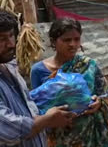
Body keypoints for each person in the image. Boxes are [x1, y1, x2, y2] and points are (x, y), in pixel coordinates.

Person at [30, 18, 108, 147]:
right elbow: (35, 108)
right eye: (66, 40)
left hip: (90, 134)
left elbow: (106, 95)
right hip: (59, 136)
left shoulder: (89, 65)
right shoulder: (39, 70)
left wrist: (99, 103)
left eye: (76, 39)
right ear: (53, 41)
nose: (73, 44)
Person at [0, 10, 76, 147]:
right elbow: (9, 130)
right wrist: (48, 119)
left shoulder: (10, 67)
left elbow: (31, 108)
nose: (11, 44)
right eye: (2, 39)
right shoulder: (38, 69)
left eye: (11, 36)